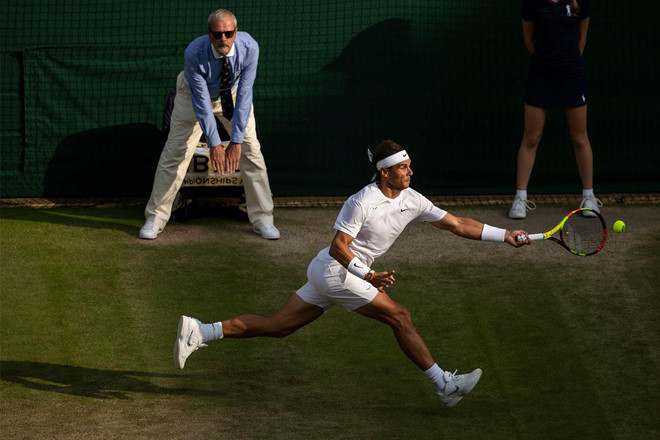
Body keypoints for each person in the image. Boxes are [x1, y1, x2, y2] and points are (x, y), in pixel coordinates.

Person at [173, 140, 531, 408]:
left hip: (329, 274)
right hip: (336, 271)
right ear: (384, 172)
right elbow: (338, 246)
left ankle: (200, 330)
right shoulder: (362, 200)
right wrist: (368, 275)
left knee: (280, 326)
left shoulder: (414, 199)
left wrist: (506, 236)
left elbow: (457, 224)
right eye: (404, 167)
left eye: (410, 166)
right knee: (400, 316)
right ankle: (445, 385)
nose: (410, 172)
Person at [140, 9, 280, 240]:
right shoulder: (194, 52)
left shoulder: (250, 48)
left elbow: (245, 94)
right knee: (175, 152)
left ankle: (263, 219)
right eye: (217, 34)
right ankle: (155, 218)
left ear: (236, 32)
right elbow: (202, 104)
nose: (223, 39)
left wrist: (235, 141)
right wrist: (215, 144)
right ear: (209, 34)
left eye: (228, 33)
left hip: (233, 96)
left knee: (251, 151)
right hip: (192, 96)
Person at [509, 0, 602, 219]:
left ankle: (588, 197)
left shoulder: (580, 3)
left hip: (572, 75)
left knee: (580, 138)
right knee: (531, 138)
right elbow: (529, 40)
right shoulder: (532, 4)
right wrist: (548, 62)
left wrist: (567, 62)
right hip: (541, 75)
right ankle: (520, 198)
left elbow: (582, 38)